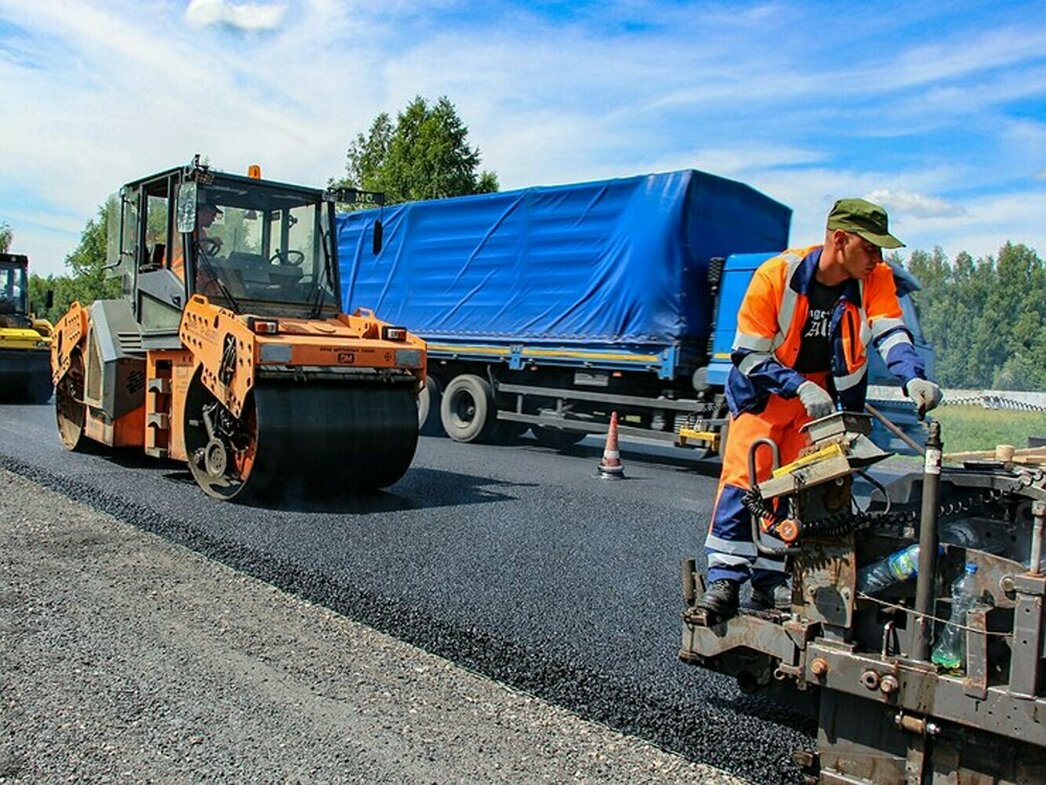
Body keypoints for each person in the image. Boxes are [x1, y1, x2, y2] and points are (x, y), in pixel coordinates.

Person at [698, 197, 943, 621]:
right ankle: (724, 579)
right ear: (840, 239)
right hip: (767, 393)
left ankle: (770, 579)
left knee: (798, 491)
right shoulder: (777, 275)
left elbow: (891, 332)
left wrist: (912, 377)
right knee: (745, 482)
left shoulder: (875, 278)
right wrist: (797, 387)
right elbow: (748, 356)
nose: (878, 258)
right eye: (870, 247)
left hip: (823, 404)